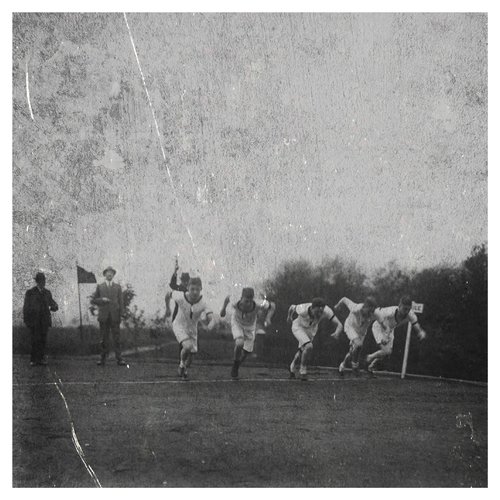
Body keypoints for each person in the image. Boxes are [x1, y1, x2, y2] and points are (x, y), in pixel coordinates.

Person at [165, 277, 215, 380]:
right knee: (187, 346)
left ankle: (184, 367)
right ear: (187, 288)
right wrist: (168, 308)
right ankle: (181, 365)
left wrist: (210, 325)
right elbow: (168, 294)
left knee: (191, 357)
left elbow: (212, 318)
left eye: (197, 289)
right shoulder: (180, 296)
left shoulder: (203, 303)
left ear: (201, 289)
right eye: (192, 289)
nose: (195, 292)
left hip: (192, 330)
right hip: (179, 325)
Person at [220, 288, 276, 379]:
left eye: (250, 301)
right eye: (246, 301)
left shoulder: (258, 303)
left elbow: (272, 305)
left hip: (250, 327)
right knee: (239, 343)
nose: (248, 303)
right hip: (237, 323)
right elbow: (227, 298)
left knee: (246, 352)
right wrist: (223, 310)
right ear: (241, 298)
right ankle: (235, 365)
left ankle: (237, 364)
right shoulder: (235, 301)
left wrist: (268, 318)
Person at [365, 295, 427, 376]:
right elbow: (376, 313)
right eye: (404, 309)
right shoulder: (389, 311)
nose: (406, 311)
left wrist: (420, 332)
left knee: (387, 353)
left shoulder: (411, 315)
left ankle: (371, 365)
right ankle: (370, 357)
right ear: (399, 306)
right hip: (379, 327)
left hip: (390, 330)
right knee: (386, 351)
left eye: (408, 309)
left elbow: (415, 324)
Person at [287, 297, 343, 381]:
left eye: (321, 312)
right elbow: (292, 307)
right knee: (308, 346)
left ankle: (292, 366)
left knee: (302, 350)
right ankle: (303, 371)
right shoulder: (303, 309)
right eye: (317, 312)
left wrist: (337, 331)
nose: (319, 314)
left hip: (311, 329)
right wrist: (289, 317)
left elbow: (339, 324)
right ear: (312, 308)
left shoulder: (327, 311)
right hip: (299, 327)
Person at [91, 266, 126, 366]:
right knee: (103, 338)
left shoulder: (118, 287)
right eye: (108, 272)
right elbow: (94, 300)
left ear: (113, 275)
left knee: (117, 338)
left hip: (115, 316)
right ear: (105, 274)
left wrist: (122, 313)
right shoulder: (100, 286)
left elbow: (121, 301)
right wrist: (102, 299)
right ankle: (102, 359)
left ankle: (119, 359)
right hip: (104, 316)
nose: (109, 274)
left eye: (111, 273)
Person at [334, 296, 378, 376]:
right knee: (359, 344)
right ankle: (355, 366)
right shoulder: (355, 308)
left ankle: (342, 365)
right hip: (350, 327)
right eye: (369, 311)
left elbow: (383, 319)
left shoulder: (375, 314)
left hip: (361, 332)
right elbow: (344, 299)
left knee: (353, 351)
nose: (370, 314)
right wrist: (337, 305)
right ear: (365, 307)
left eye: (372, 311)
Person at [23, 272, 59, 366]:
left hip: (44, 321)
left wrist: (55, 307)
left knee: (43, 340)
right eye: (41, 281)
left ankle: (41, 359)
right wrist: (27, 321)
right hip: (34, 321)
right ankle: (33, 360)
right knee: (35, 340)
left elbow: (53, 304)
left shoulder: (47, 293)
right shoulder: (30, 293)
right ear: (37, 281)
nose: (43, 282)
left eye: (44, 280)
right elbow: (26, 307)